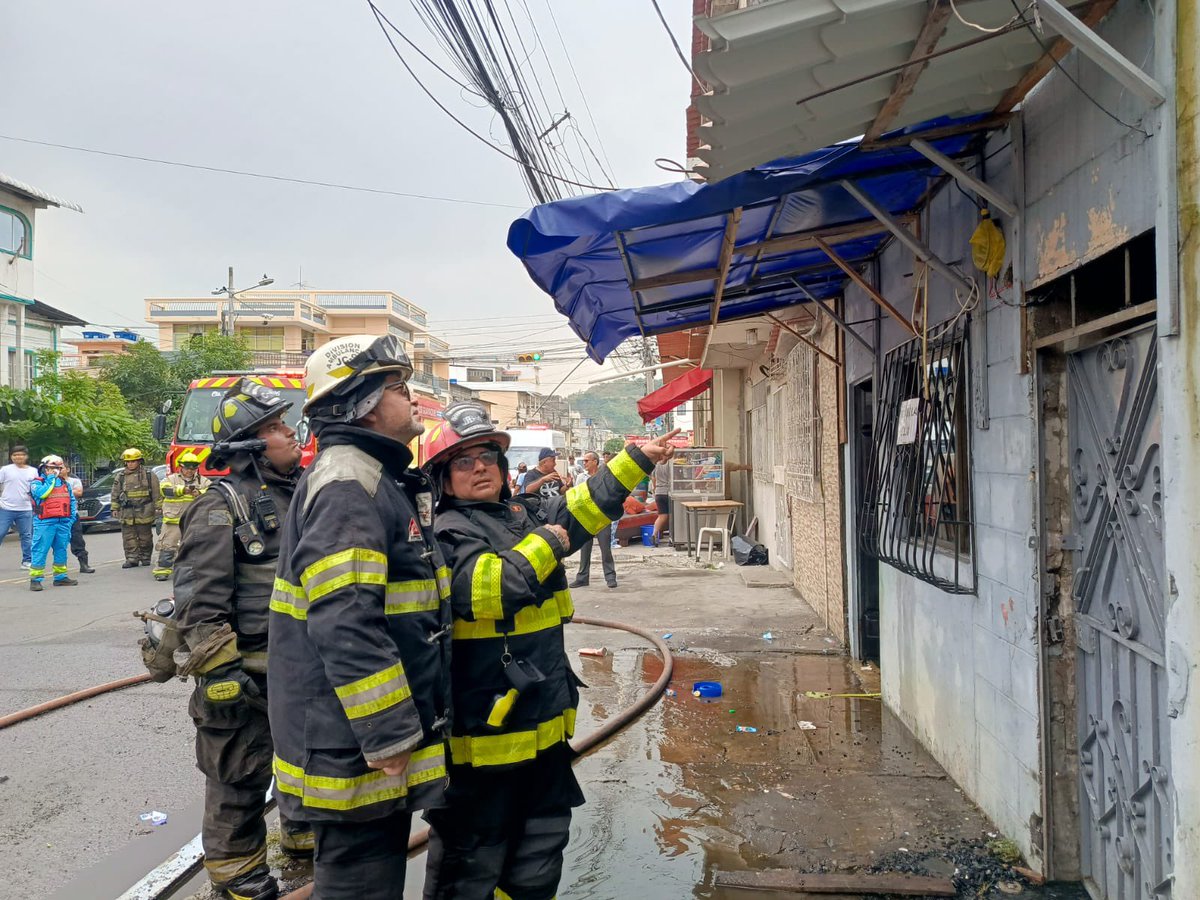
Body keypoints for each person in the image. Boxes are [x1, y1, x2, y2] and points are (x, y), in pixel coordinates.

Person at [422, 401, 679, 900]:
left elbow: (584, 507)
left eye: (488, 457)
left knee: (540, 854)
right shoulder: (446, 532)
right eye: (463, 461)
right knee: (471, 863)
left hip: (542, 728)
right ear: (442, 478)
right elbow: (486, 591)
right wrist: (547, 543)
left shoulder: (520, 513)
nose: (480, 467)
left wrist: (639, 457)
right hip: (482, 745)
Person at [269, 335, 451, 900]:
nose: (413, 397)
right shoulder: (350, 483)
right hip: (353, 743)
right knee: (360, 886)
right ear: (364, 402)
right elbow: (345, 618)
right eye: (399, 386)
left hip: (354, 736)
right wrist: (389, 730)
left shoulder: (372, 474)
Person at [173, 380, 313, 900]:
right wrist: (220, 673)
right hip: (247, 674)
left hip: (299, 670)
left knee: (306, 763)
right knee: (239, 777)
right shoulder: (220, 506)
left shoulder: (300, 493)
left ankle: (303, 838)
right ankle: (239, 878)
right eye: (275, 427)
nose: (288, 432)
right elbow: (197, 601)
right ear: (250, 445)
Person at [153, 450, 211, 581]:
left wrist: (200, 492)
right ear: (181, 467)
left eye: (193, 467)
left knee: (196, 547)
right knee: (167, 546)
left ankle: (193, 572)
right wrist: (182, 490)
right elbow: (164, 489)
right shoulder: (171, 479)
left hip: (195, 520)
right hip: (173, 520)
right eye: (187, 467)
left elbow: (212, 491)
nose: (190, 470)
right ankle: (162, 570)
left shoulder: (203, 481)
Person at [28, 455, 78, 590]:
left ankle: (60, 577)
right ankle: (35, 579)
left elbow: (72, 501)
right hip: (44, 523)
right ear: (44, 468)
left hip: (63, 522)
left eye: (58, 468)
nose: (56, 470)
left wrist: (70, 519)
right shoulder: (37, 483)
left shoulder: (64, 484)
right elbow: (43, 494)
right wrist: (50, 479)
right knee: (40, 550)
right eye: (52, 468)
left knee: (61, 549)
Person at [570, 451, 617, 589]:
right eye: (584, 461)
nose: (584, 463)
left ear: (595, 462)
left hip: (602, 516)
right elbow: (576, 495)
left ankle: (610, 576)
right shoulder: (580, 477)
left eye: (586, 461)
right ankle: (582, 577)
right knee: (585, 548)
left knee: (605, 548)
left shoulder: (605, 475)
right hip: (586, 516)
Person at [112, 448, 161, 568]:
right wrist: (114, 508)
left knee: (145, 537)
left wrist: (159, 507)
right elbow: (115, 493)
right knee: (128, 537)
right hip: (127, 511)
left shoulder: (149, 475)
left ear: (139, 461)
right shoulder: (121, 476)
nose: (130, 464)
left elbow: (156, 493)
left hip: (144, 510)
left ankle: (145, 557)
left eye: (133, 461)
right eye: (128, 462)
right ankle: (132, 559)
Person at [0, 445, 38, 568]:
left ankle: (27, 561)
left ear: (26, 456)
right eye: (15, 455)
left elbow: (35, 488)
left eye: (21, 454)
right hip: (6, 507)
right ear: (11, 457)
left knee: (26, 535)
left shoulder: (33, 471)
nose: (18, 457)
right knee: (1, 533)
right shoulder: (5, 470)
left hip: (25, 508)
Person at [61, 463, 95, 574]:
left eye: (62, 468)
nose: (60, 470)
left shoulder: (74, 480)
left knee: (77, 540)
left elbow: (79, 492)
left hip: (72, 514)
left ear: (68, 469)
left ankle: (84, 564)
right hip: (57, 515)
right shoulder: (51, 482)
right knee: (59, 542)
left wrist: (63, 490)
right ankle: (61, 568)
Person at [651, 457, 671, 547]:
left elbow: (653, 479)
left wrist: (655, 491)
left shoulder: (656, 464)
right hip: (669, 492)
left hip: (659, 493)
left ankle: (654, 534)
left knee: (662, 516)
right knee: (672, 516)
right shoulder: (671, 464)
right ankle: (672, 538)